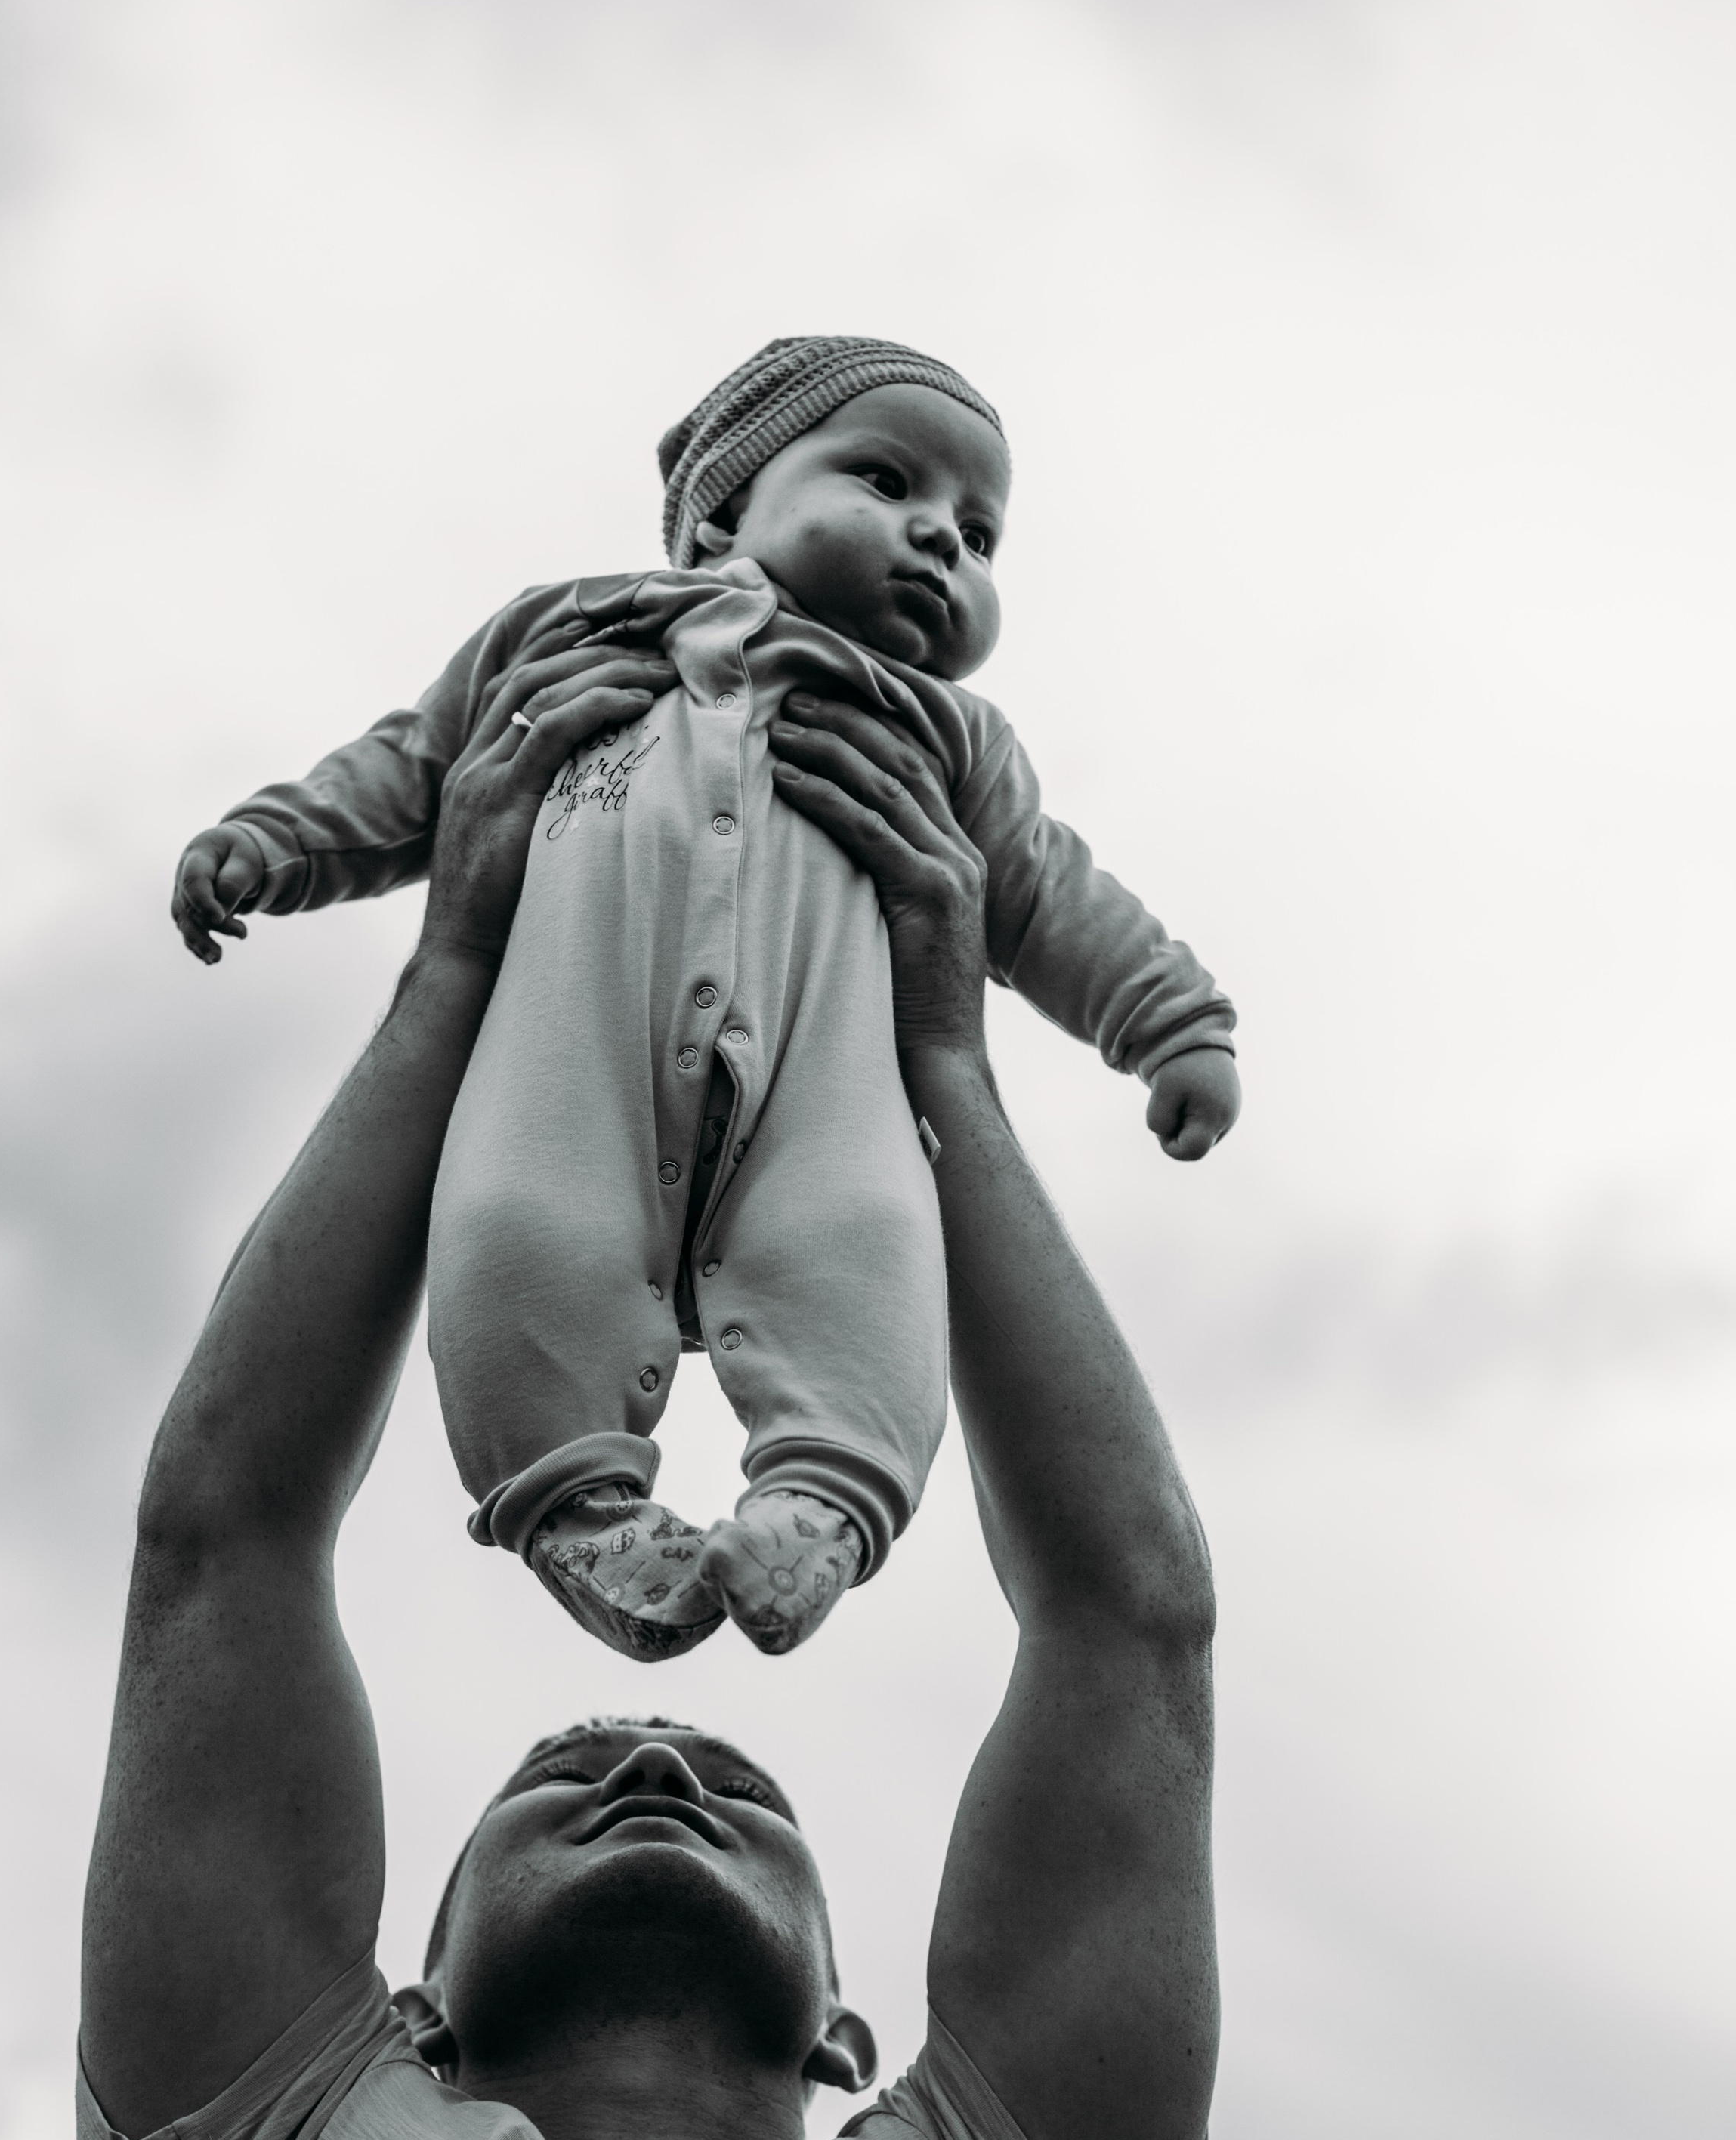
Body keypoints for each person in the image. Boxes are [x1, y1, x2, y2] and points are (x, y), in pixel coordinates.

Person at [76, 648, 1219, 2140]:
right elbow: (219, 1537)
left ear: (851, 2033)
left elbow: (1129, 1624)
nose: (660, 1760)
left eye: (734, 1792)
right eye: (566, 1777)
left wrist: (943, 1068)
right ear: (406, 2003)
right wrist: (457, 972)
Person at [167, 337, 1238, 1662]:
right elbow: (408, 769)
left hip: (823, 1086)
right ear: (724, 511)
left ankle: (825, 1499)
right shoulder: (562, 637)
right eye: (888, 480)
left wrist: (1172, 1023)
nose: (940, 539)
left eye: (979, 535)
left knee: (869, 1245)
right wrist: (272, 842)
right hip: (574, 1065)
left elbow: (1051, 891)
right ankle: (578, 1508)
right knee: (513, 1225)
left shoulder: (948, 740)